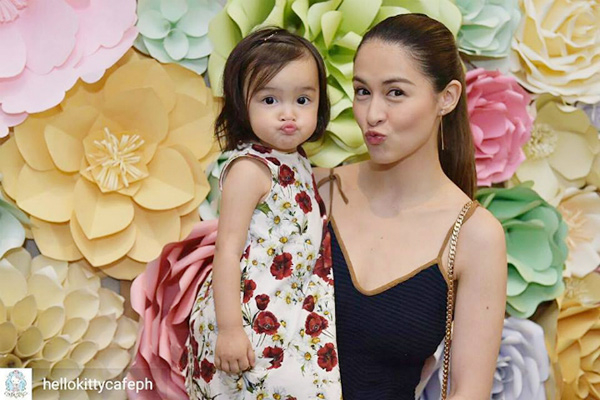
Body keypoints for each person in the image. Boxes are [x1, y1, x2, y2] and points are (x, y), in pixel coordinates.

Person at [314, 14, 507, 400]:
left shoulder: (475, 236)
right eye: (362, 91)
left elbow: (469, 392)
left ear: (446, 98)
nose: (372, 114)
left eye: (395, 93)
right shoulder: (318, 190)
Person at [185, 27, 341, 400]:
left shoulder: (296, 158)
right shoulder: (249, 169)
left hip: (288, 312)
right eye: (269, 100)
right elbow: (226, 251)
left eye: (303, 99)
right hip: (247, 317)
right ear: (242, 104)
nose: (289, 114)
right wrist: (229, 330)